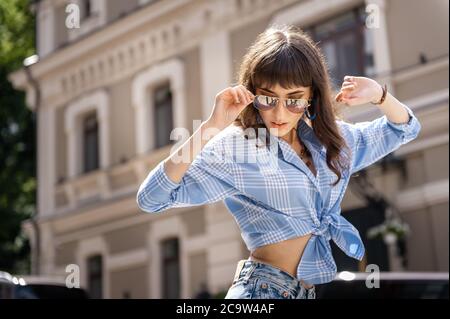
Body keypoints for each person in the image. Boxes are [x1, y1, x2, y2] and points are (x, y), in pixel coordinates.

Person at [136, 25, 421, 299]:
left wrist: (380, 96)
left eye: (294, 99)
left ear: (311, 97)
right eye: (268, 99)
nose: (280, 113)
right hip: (261, 290)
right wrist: (210, 127)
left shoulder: (331, 142)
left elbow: (405, 128)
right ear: (253, 94)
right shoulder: (238, 146)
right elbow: (152, 198)